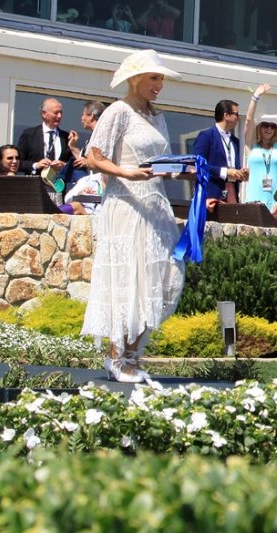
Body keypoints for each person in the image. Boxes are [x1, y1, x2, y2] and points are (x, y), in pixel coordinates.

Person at [80, 49, 188, 384]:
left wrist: (179, 173)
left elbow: (158, 163)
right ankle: (120, 356)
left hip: (156, 204)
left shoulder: (158, 116)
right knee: (131, 281)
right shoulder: (118, 112)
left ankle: (133, 352)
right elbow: (93, 158)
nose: (159, 85)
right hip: (125, 205)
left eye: (161, 79)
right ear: (136, 79)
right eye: (154, 78)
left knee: (168, 277)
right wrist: (125, 172)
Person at [192, 99, 248, 204]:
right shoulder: (206, 136)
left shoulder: (235, 141)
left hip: (232, 196)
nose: (238, 118)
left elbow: (233, 168)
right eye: (236, 114)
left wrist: (241, 173)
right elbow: (197, 165)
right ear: (226, 115)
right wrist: (225, 172)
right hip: (211, 197)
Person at [16, 98, 76, 187]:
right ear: (44, 114)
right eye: (56, 113)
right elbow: (18, 163)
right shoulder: (29, 134)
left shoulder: (66, 137)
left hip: (58, 188)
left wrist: (63, 165)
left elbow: (73, 163)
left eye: (61, 113)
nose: (59, 116)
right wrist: (36, 165)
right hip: (34, 188)